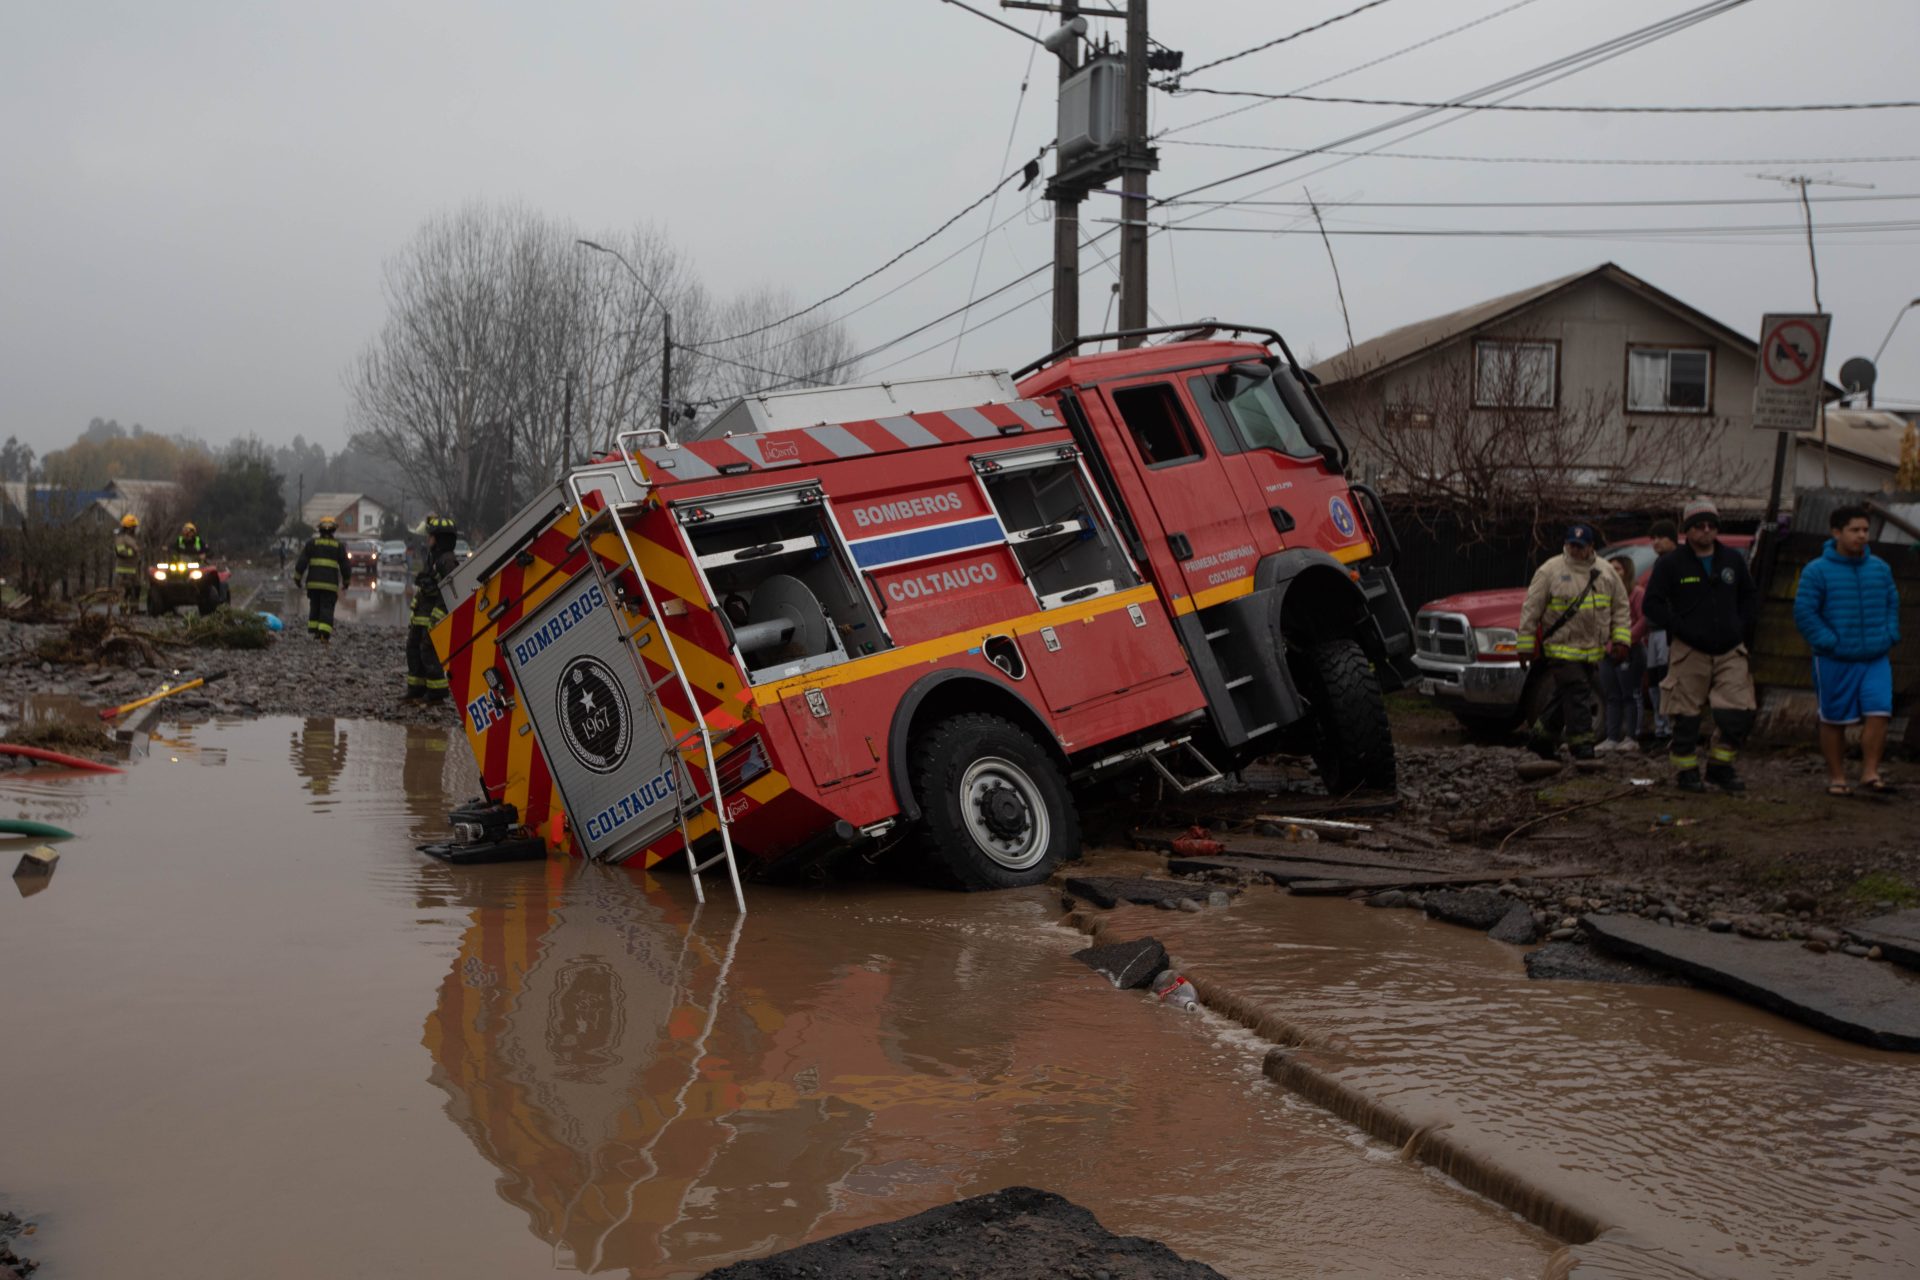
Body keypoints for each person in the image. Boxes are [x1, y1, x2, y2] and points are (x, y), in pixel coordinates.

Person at [1643, 498, 1759, 793]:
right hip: (1689, 648)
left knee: (1738, 711)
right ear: (1687, 530)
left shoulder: (1732, 560)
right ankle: (1686, 771)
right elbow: (1652, 604)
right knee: (1685, 715)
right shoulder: (1671, 563)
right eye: (1698, 526)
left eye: (1711, 525)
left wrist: (1739, 625)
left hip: (1730, 648)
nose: (1706, 531)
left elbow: (1749, 597)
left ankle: (1721, 767)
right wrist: (1679, 626)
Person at [1793, 504, 1901, 796]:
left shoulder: (1879, 568)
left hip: (1875, 656)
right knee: (1834, 719)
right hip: (1834, 658)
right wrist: (1829, 642)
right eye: (1855, 530)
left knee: (1880, 711)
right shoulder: (1817, 571)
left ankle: (1870, 773)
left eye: (1865, 530)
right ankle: (1837, 778)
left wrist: (1890, 633)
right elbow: (1805, 612)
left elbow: (1893, 602)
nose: (1862, 536)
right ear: (1836, 532)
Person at [1516, 522, 1631, 761]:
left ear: (1591, 547)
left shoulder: (1607, 573)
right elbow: (1531, 610)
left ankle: (1540, 739)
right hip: (1560, 648)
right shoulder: (1550, 571)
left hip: (1591, 650)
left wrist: (1621, 641)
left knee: (1566, 696)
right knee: (1578, 691)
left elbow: (1620, 607)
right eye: (1572, 545)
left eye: (1580, 546)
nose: (1575, 551)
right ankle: (1582, 745)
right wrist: (1525, 647)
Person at [1595, 553, 1646, 753]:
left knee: (1629, 694)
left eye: (1617, 568)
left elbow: (1644, 620)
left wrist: (1626, 640)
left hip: (1630, 651)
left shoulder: (1637, 593)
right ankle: (1612, 737)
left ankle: (1631, 736)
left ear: (1627, 571)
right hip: (1607, 652)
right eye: (1610, 568)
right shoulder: (1604, 593)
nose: (1613, 572)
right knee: (1611, 695)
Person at [404, 515, 458, 703]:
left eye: (431, 536)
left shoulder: (447, 561)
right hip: (422, 614)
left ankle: (436, 692)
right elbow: (426, 585)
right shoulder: (434, 557)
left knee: (428, 651)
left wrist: (437, 618)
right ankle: (416, 688)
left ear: (440, 538)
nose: (428, 540)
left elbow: (448, 593)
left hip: (433, 616)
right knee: (413, 648)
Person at [1642, 518, 1679, 743]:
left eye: (1660, 537)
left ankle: (1672, 728)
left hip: (1669, 631)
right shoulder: (1659, 563)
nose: (1655, 542)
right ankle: (1661, 727)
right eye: (1652, 538)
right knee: (1655, 680)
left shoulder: (1678, 562)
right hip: (1654, 630)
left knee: (1668, 679)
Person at [293, 517, 345, 642]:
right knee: (326, 607)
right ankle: (324, 633)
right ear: (333, 530)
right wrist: (347, 581)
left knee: (315, 605)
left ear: (320, 530)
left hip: (314, 584)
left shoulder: (312, 544)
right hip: (330, 585)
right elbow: (345, 565)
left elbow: (302, 562)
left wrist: (297, 578)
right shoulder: (339, 546)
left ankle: (315, 631)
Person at [112, 513, 143, 614]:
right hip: (124, 570)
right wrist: (133, 553)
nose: (135, 529)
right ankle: (123, 609)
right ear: (129, 528)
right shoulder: (121, 538)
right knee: (126, 591)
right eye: (134, 527)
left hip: (133, 569)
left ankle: (134, 609)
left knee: (137, 588)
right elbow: (120, 552)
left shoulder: (132, 538)